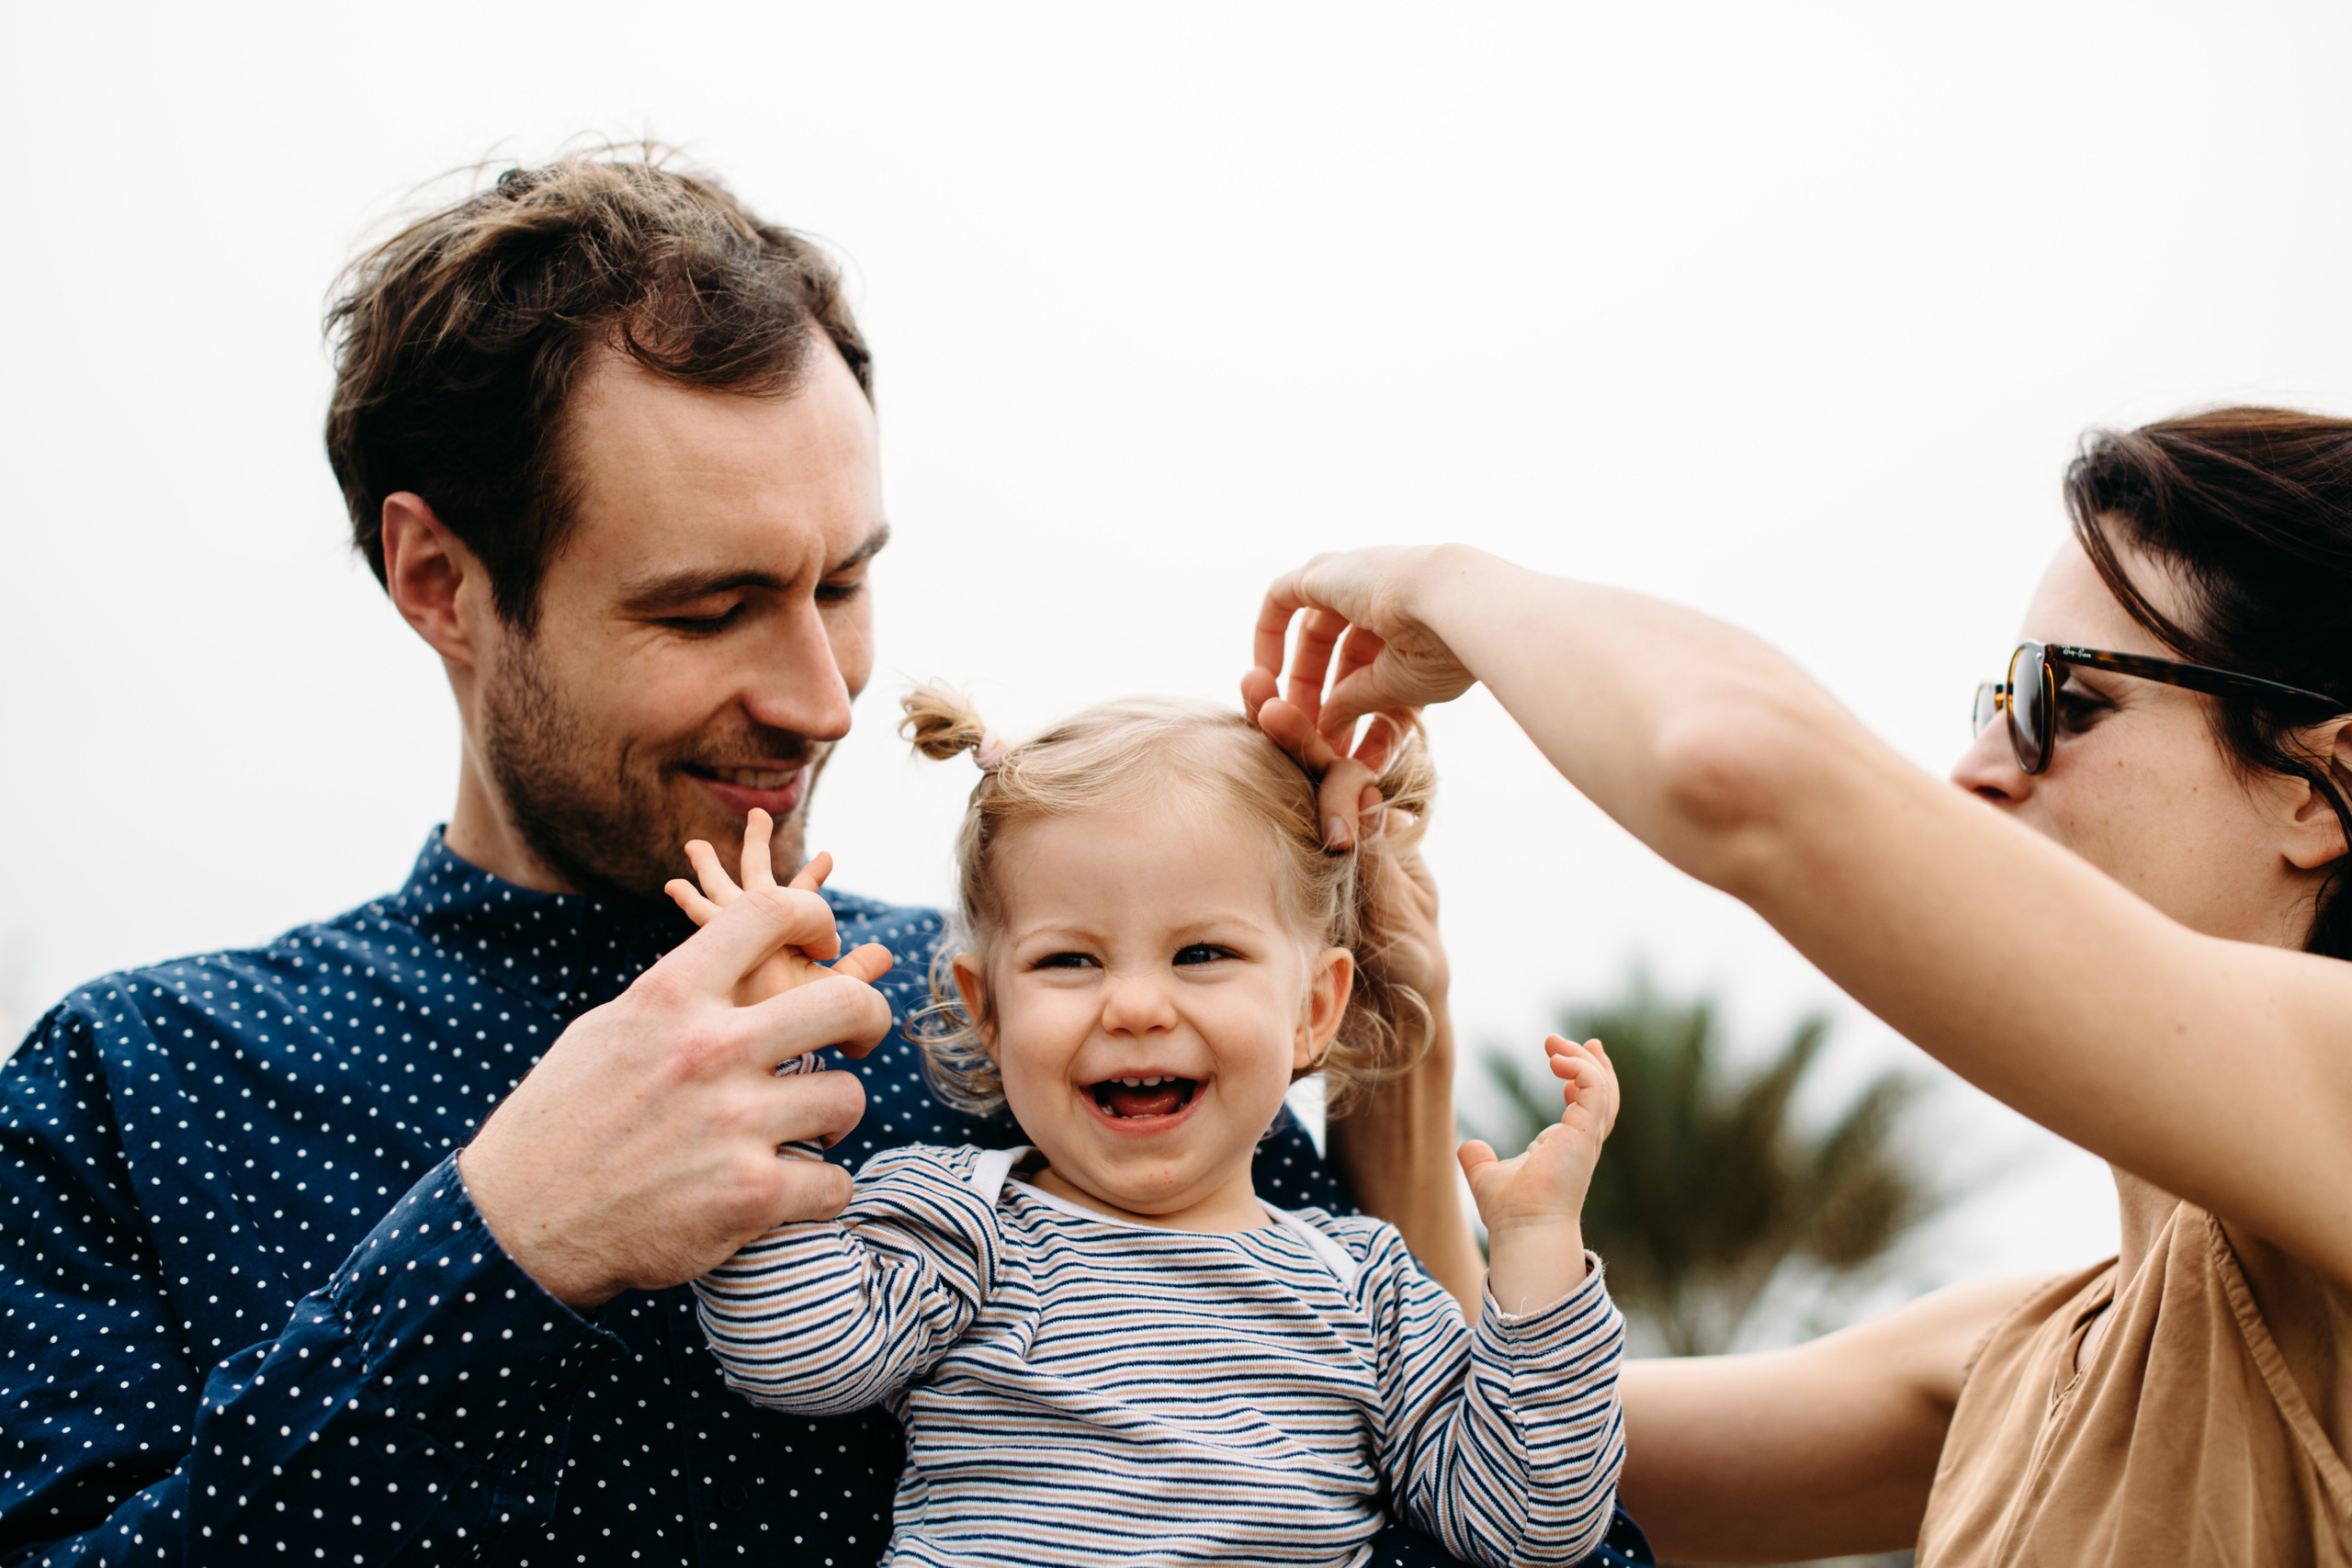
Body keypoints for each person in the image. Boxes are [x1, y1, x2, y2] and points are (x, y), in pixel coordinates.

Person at [0, 148, 1447, 1566]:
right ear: (440, 580)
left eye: (844, 579)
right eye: (709, 608)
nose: (824, 697)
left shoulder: (1067, 1013)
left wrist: (1400, 1056)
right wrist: (498, 1240)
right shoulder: (135, 1090)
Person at [1247, 406, 2352, 1565]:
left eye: (2063, 704)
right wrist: (1397, 1007)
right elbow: (1483, 1450)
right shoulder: (2027, 1354)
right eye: (1994, 706)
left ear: (2320, 783)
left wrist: (1440, 580)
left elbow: (1737, 764)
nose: (1972, 770)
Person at [676, 693, 1627, 1566]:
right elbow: (790, 1357)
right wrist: (767, 1058)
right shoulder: (964, 1223)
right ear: (989, 1011)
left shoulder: (1367, 1287)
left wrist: (1538, 1255)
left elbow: (1528, 1527)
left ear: (1314, 1006)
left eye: (1202, 952)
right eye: (1069, 959)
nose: (1134, 1006)